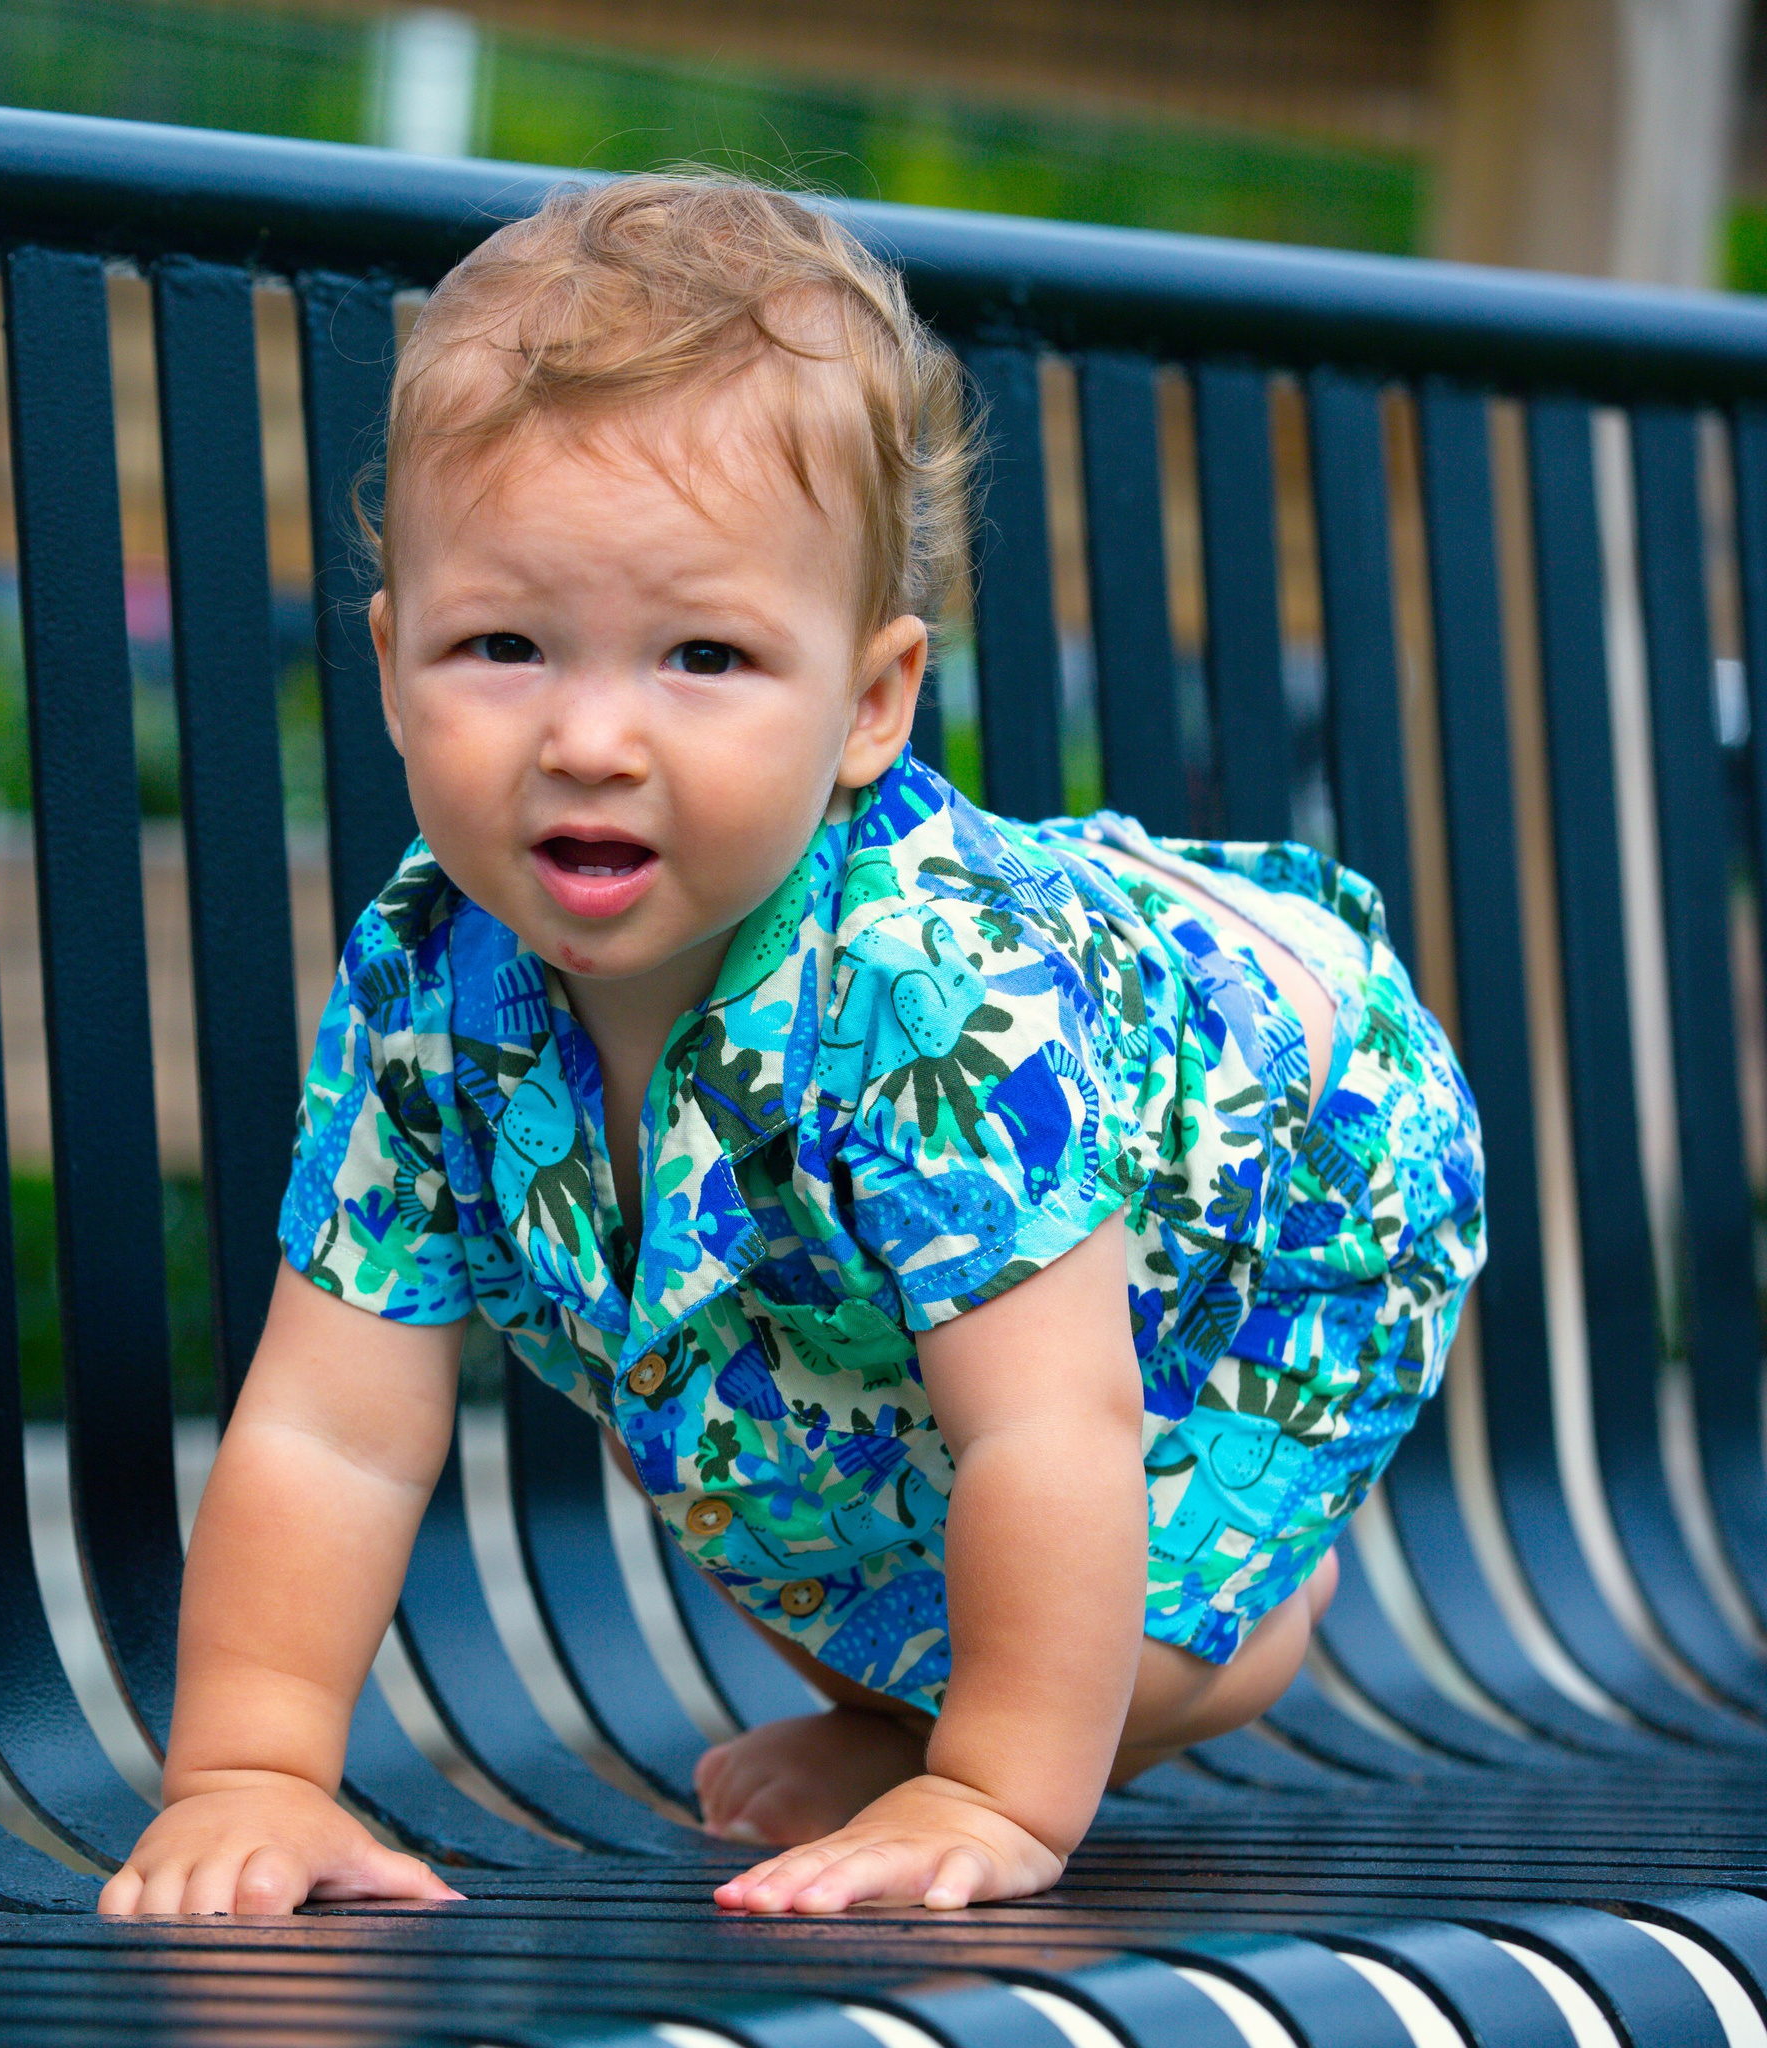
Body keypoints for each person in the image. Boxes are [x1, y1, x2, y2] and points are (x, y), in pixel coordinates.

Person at [97, 174, 1484, 1919]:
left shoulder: (932, 993)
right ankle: (918, 1707)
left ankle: (1166, 1653)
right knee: (714, 1416)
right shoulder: (427, 981)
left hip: (1283, 1170)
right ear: (389, 669)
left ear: (872, 703)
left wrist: (985, 1800)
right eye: (503, 646)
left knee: (1116, 1584)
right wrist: (251, 1771)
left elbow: (1052, 1430)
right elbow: (329, 1430)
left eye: (704, 656)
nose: (590, 736)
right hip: (900, 1238)